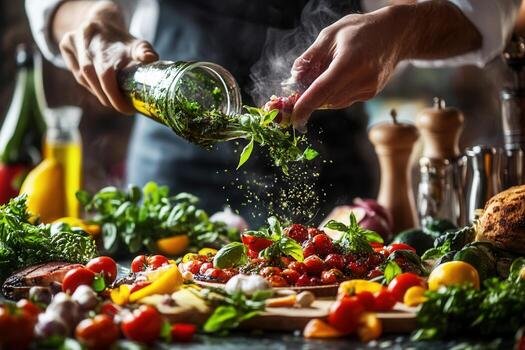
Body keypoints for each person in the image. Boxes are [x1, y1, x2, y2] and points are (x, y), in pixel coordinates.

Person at [26, 0, 520, 225]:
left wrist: (402, 29)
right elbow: (55, 7)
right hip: (171, 192)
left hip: (332, 192)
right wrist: (90, 16)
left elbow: (486, 12)